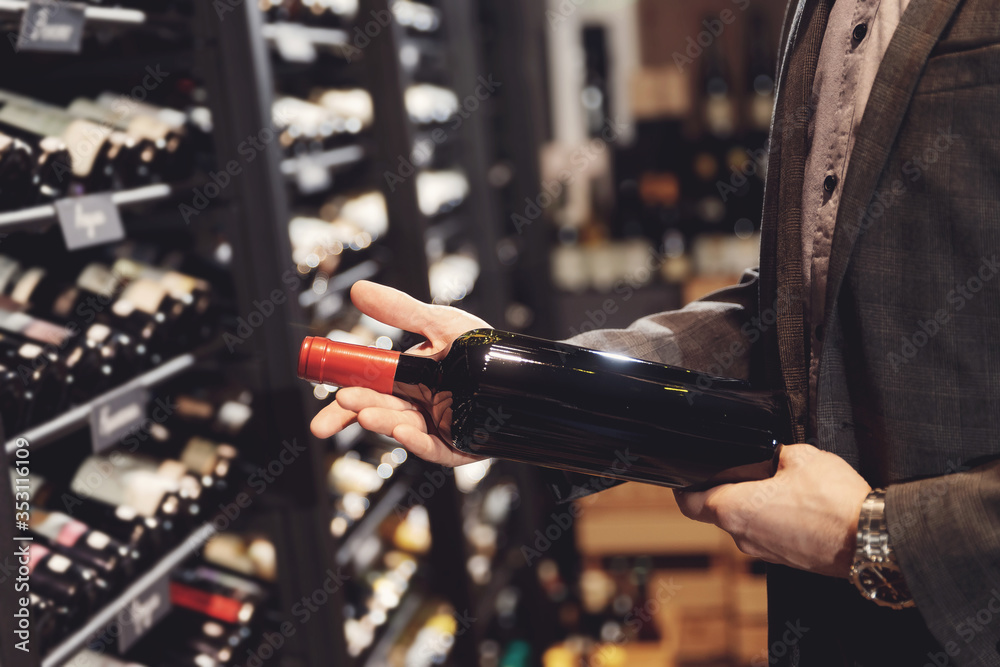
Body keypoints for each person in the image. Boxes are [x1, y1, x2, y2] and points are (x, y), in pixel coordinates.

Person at [311, 0, 1000, 664]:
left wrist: (874, 537)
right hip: (827, 626)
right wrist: (526, 387)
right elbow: (798, 312)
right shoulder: (818, 11)